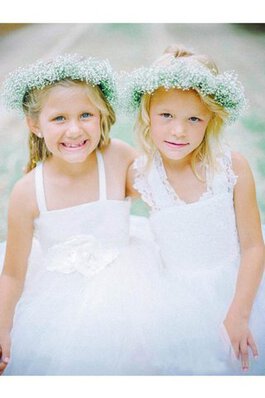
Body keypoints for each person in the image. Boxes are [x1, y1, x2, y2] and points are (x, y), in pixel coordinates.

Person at [0, 54, 163, 375]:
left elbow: (164, 194)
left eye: (86, 114)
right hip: (57, 301)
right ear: (35, 125)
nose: (74, 130)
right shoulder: (27, 191)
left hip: (131, 290)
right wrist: (3, 327)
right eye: (59, 118)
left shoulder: (117, 157)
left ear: (102, 116)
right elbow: (13, 274)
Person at [126, 44, 265, 375]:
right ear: (148, 113)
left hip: (238, 289)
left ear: (210, 118)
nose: (178, 130)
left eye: (193, 118)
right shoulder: (140, 174)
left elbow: (253, 245)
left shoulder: (230, 168)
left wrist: (239, 312)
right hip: (175, 300)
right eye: (166, 116)